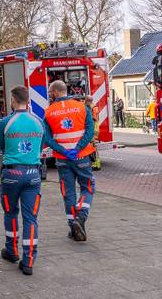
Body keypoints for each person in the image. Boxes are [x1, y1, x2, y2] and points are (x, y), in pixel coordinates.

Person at [0, 86, 43, 276]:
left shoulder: (5, 122)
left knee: (10, 213)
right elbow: (43, 144)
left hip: (11, 175)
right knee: (31, 218)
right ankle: (29, 261)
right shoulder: (38, 122)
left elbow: (0, 145)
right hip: (33, 174)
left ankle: (12, 251)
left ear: (13, 100)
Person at [44, 80, 95, 242]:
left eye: (51, 92)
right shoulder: (82, 107)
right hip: (81, 157)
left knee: (68, 193)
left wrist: (63, 151)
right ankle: (80, 218)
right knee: (87, 188)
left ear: (57, 92)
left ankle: (73, 227)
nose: (50, 95)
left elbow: (47, 138)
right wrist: (77, 148)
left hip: (63, 160)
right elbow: (90, 132)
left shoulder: (48, 112)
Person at [84, 96, 102, 171]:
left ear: (87, 100)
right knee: (94, 148)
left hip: (92, 131)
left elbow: (91, 120)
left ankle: (95, 164)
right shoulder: (94, 107)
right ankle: (96, 163)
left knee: (93, 148)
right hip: (95, 130)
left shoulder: (90, 108)